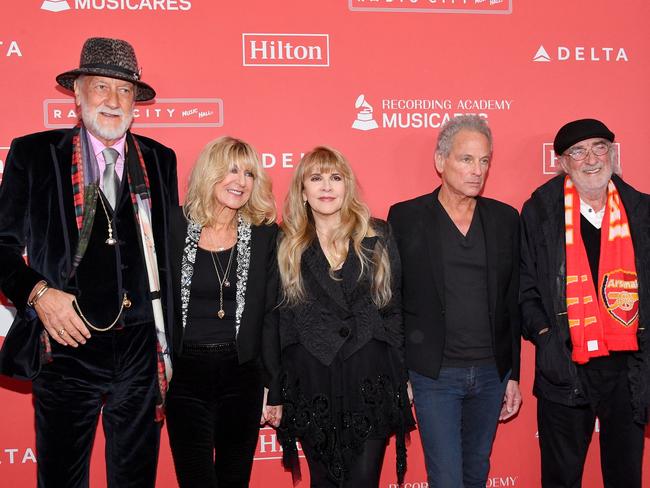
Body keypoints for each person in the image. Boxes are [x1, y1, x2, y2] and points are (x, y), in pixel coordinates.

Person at [0, 38, 178, 487]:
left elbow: (169, 258)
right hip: (65, 348)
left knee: (136, 480)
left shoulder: (159, 160)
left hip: (140, 350)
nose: (113, 101)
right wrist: (38, 295)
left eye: (124, 90)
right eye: (101, 87)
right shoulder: (36, 154)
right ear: (77, 94)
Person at [387, 115, 521, 488]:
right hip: (434, 375)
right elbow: (392, 301)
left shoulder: (505, 219)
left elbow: (512, 303)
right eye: (466, 159)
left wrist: (513, 375)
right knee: (446, 478)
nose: (477, 170)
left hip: (492, 374)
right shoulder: (406, 217)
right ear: (440, 161)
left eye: (484, 161)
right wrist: (401, 373)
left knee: (476, 473)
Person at [520, 118, 650, 487]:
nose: (591, 159)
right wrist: (545, 337)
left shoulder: (642, 211)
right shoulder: (539, 212)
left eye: (599, 147)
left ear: (613, 152)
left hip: (629, 367)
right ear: (562, 162)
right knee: (561, 478)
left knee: (625, 476)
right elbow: (524, 286)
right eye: (578, 151)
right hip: (565, 364)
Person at [275, 146, 414, 487]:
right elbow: (281, 320)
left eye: (335, 178)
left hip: (369, 376)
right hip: (312, 380)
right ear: (302, 190)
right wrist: (276, 384)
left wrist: (402, 377)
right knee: (323, 481)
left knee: (364, 481)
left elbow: (392, 310)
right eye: (316, 178)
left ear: (347, 186)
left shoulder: (377, 234)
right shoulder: (285, 241)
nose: (326, 187)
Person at [166, 136, 282, 488]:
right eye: (232, 170)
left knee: (234, 480)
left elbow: (270, 317)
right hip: (184, 375)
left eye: (249, 173)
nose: (241, 181)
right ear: (209, 172)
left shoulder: (264, 235)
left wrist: (273, 385)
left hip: (241, 375)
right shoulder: (173, 225)